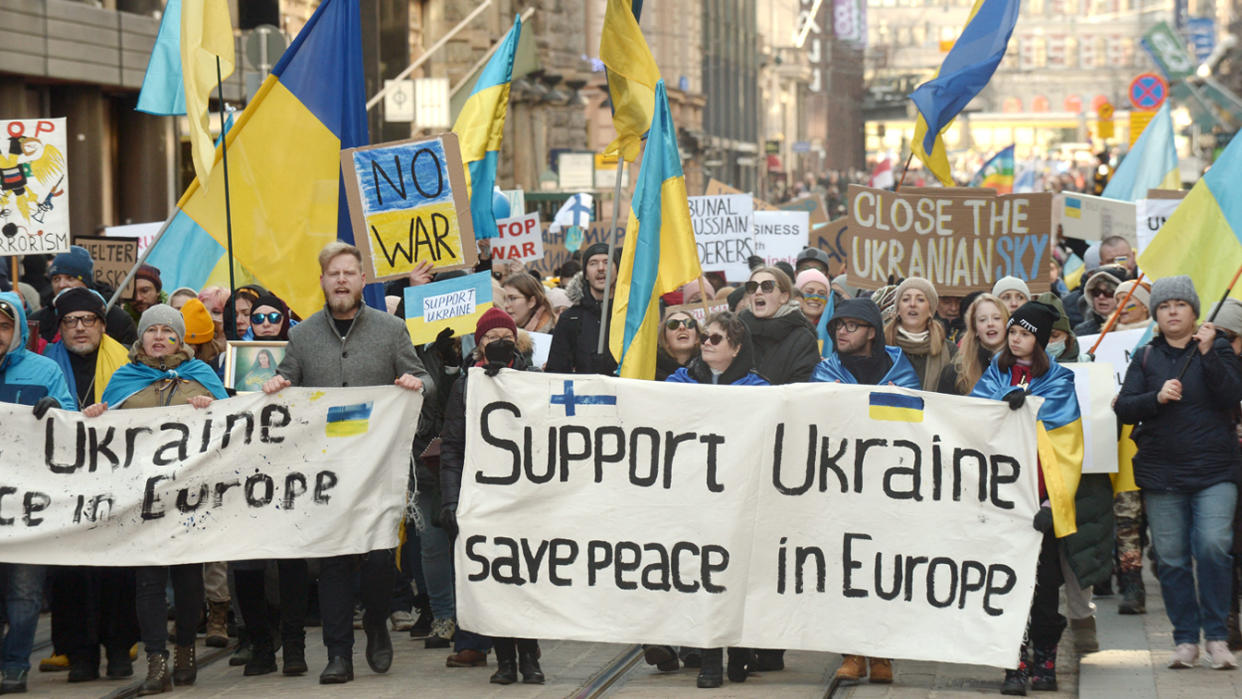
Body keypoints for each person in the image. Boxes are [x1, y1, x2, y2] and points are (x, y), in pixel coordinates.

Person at [261, 241, 432, 685]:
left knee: (378, 560)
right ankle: (340, 654)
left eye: (349, 273)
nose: (341, 280)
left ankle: (376, 622)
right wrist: (278, 385)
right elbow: (287, 381)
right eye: (333, 273)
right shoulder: (301, 335)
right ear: (322, 280)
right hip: (324, 472)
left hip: (376, 467)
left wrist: (416, 382)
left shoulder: (391, 330)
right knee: (333, 563)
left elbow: (427, 380)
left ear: (361, 280)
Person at [83, 305, 229, 695]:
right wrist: (97, 415)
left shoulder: (201, 378)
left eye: (168, 331)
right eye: (152, 330)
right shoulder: (123, 379)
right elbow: (105, 431)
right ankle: (155, 662)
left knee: (187, 582)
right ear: (141, 337)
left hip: (191, 499)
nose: (159, 337)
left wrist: (212, 409)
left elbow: (231, 426)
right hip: (141, 499)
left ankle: (184, 652)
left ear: (180, 340)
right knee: (148, 581)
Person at [1115, 276, 1242, 670]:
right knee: (1170, 558)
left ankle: (1217, 637)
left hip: (1215, 469)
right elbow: (1125, 408)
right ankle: (1185, 638)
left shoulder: (1217, 348)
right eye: (1165, 305)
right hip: (1163, 473)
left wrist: (1207, 353)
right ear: (1156, 313)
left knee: (1212, 546)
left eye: (1180, 305)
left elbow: (1230, 395)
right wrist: (1156, 397)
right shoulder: (1147, 357)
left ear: (1194, 312)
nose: (1172, 310)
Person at [972, 301, 1084, 694]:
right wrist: (1000, 411)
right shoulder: (994, 375)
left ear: (1038, 340)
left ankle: (1045, 660)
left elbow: (1069, 449)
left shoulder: (1060, 382)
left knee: (1046, 584)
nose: (1015, 339)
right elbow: (972, 425)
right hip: (1002, 502)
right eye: (1013, 332)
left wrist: (1054, 503)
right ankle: (1013, 663)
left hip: (1040, 502)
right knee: (1006, 584)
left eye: (1024, 334)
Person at [439, 308, 546, 685]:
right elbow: (452, 448)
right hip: (484, 495)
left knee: (526, 579)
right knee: (496, 579)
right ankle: (504, 659)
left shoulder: (535, 380)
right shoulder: (466, 385)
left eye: (505, 335)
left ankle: (530, 657)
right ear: (479, 343)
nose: (498, 341)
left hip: (525, 495)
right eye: (490, 336)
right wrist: (451, 501)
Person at [813, 297, 916, 685]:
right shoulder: (824, 371)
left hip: (889, 487)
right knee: (845, 568)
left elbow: (911, 421)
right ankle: (852, 652)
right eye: (838, 325)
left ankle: (882, 652)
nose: (841, 331)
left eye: (852, 325)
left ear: (872, 331)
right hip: (839, 486)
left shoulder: (901, 369)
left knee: (886, 568)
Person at [39, 287, 139, 681]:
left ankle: (119, 650)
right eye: (70, 321)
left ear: (102, 324)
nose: (80, 328)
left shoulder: (127, 364)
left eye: (88, 320)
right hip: (61, 486)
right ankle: (79, 654)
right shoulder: (44, 366)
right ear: (60, 328)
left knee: (116, 569)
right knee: (69, 572)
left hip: (115, 482)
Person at [664, 311, 766, 687]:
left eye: (716, 338)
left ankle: (739, 651)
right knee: (703, 574)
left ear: (736, 348)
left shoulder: (760, 390)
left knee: (737, 576)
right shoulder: (678, 382)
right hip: (695, 498)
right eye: (705, 335)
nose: (705, 341)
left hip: (739, 499)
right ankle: (709, 659)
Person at [0, 291, 75, 694]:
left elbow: (72, 423)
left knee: (25, 592)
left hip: (28, 506)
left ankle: (14, 665)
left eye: (4, 326)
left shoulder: (44, 371)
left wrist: (57, 411)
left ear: (18, 330)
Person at [29, 246, 137, 346]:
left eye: (70, 278)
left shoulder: (118, 320)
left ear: (86, 282)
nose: (61, 285)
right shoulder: (38, 321)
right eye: (56, 279)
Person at [546, 243, 619, 375]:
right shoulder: (570, 318)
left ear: (617, 270)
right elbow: (556, 371)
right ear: (585, 274)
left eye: (607, 262)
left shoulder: (631, 316)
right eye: (593, 263)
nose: (601, 268)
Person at [739, 267, 819, 386]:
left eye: (767, 286)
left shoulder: (803, 339)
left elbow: (803, 389)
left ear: (784, 297)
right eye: (752, 286)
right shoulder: (737, 331)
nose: (758, 291)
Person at [884, 277, 955, 392]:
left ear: (930, 310)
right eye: (906, 299)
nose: (912, 304)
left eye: (920, 300)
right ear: (898, 309)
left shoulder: (950, 351)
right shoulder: (880, 346)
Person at [937, 293, 1008, 395]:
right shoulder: (955, 373)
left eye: (996, 318)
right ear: (975, 329)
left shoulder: (1022, 365)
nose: (990, 323)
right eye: (982, 320)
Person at [1074, 266, 1125, 336]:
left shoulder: (1138, 327)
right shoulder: (1082, 332)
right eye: (1096, 292)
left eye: (1109, 292)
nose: (1101, 297)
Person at [656, 308, 701, 381]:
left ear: (697, 337)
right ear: (665, 339)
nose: (682, 327)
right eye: (673, 324)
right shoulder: (652, 373)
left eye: (689, 323)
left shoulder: (712, 369)